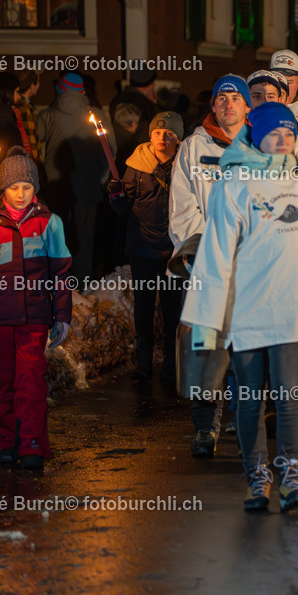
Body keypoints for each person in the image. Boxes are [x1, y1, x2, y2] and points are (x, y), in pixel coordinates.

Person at [181, 101, 298, 512]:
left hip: (293, 308)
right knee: (251, 398)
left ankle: (291, 474)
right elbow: (215, 256)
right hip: (249, 311)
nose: (283, 141)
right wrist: (206, 321)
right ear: (255, 136)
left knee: (290, 395)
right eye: (275, 133)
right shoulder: (234, 185)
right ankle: (257, 476)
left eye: (290, 134)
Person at [0, 147, 72, 470]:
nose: (20, 194)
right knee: (3, 381)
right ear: (1, 189)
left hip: (34, 316)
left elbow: (60, 272)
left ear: (36, 187)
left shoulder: (49, 223)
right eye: (13, 187)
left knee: (31, 380)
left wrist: (62, 315)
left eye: (27, 187)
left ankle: (32, 443)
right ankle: (7, 441)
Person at [169, 74, 252, 457]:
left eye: (236, 97)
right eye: (222, 98)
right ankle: (205, 425)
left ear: (247, 105)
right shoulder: (192, 148)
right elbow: (183, 207)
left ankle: (243, 414)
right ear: (213, 105)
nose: (229, 104)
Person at [109, 112, 184, 382]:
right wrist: (116, 195)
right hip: (142, 247)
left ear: (179, 137)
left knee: (172, 308)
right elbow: (122, 208)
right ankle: (144, 364)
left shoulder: (185, 163)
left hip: (174, 248)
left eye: (169, 134)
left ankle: (171, 364)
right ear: (149, 135)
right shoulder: (136, 164)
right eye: (157, 133)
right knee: (143, 306)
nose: (162, 138)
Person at [37, 72, 114, 285]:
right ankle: (81, 288)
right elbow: (110, 151)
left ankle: (57, 285)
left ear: (59, 90)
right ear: (82, 92)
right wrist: (101, 179)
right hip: (88, 190)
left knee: (56, 239)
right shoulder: (96, 114)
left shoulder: (48, 115)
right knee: (84, 241)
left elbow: (36, 145)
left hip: (56, 189)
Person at [110, 67, 160, 165]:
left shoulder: (118, 99)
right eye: (153, 86)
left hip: (119, 157)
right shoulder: (143, 103)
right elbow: (145, 133)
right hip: (138, 159)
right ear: (147, 85)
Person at [16, 71, 42, 160]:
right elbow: (30, 140)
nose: (39, 85)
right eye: (38, 82)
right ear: (31, 85)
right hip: (29, 161)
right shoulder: (24, 108)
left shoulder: (19, 105)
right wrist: (36, 162)